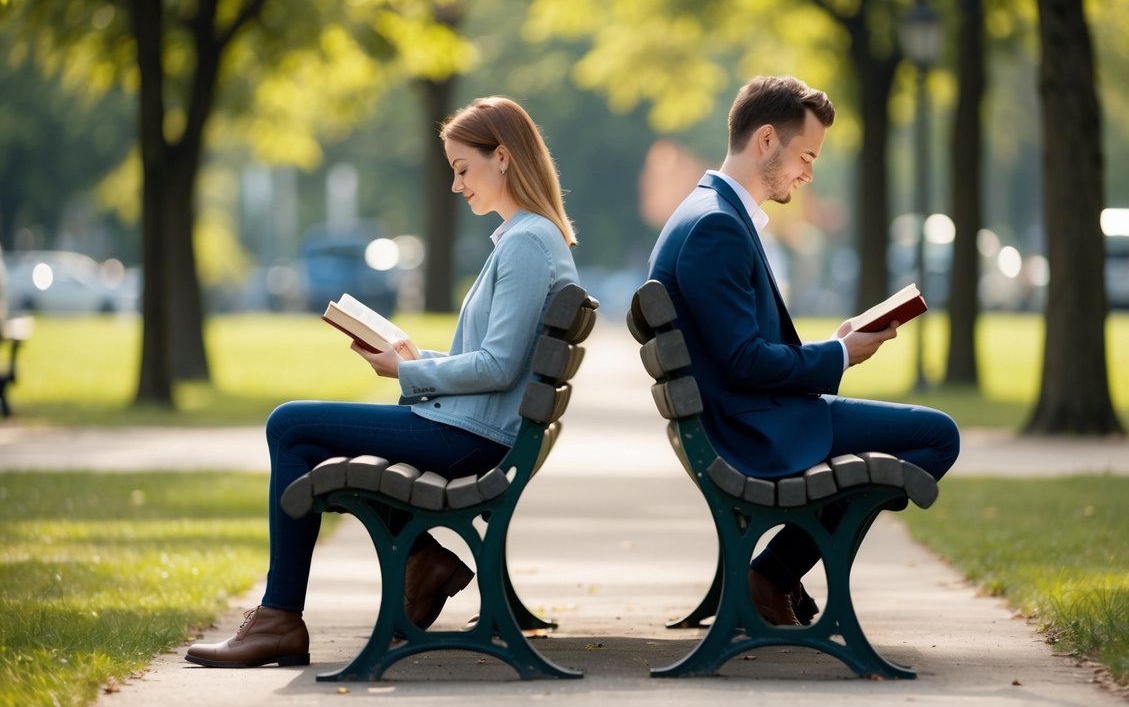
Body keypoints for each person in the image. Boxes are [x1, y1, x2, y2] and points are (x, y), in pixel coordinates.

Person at [186, 96, 578, 668]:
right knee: (304, 433)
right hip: (479, 429)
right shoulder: (532, 239)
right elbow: (501, 362)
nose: (455, 185)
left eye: (462, 169)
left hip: (473, 440)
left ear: (503, 158)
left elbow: (496, 367)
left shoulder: (525, 243)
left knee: (291, 426)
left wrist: (407, 371)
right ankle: (417, 562)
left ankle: (282, 618)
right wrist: (421, 358)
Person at [648, 75, 960, 626]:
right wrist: (841, 357)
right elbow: (745, 362)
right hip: (752, 432)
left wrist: (835, 345)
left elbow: (741, 351)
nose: (809, 174)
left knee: (908, 447)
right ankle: (771, 575)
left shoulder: (711, 212)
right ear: (766, 140)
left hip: (750, 417)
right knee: (938, 436)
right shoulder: (716, 227)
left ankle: (774, 574)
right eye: (806, 156)